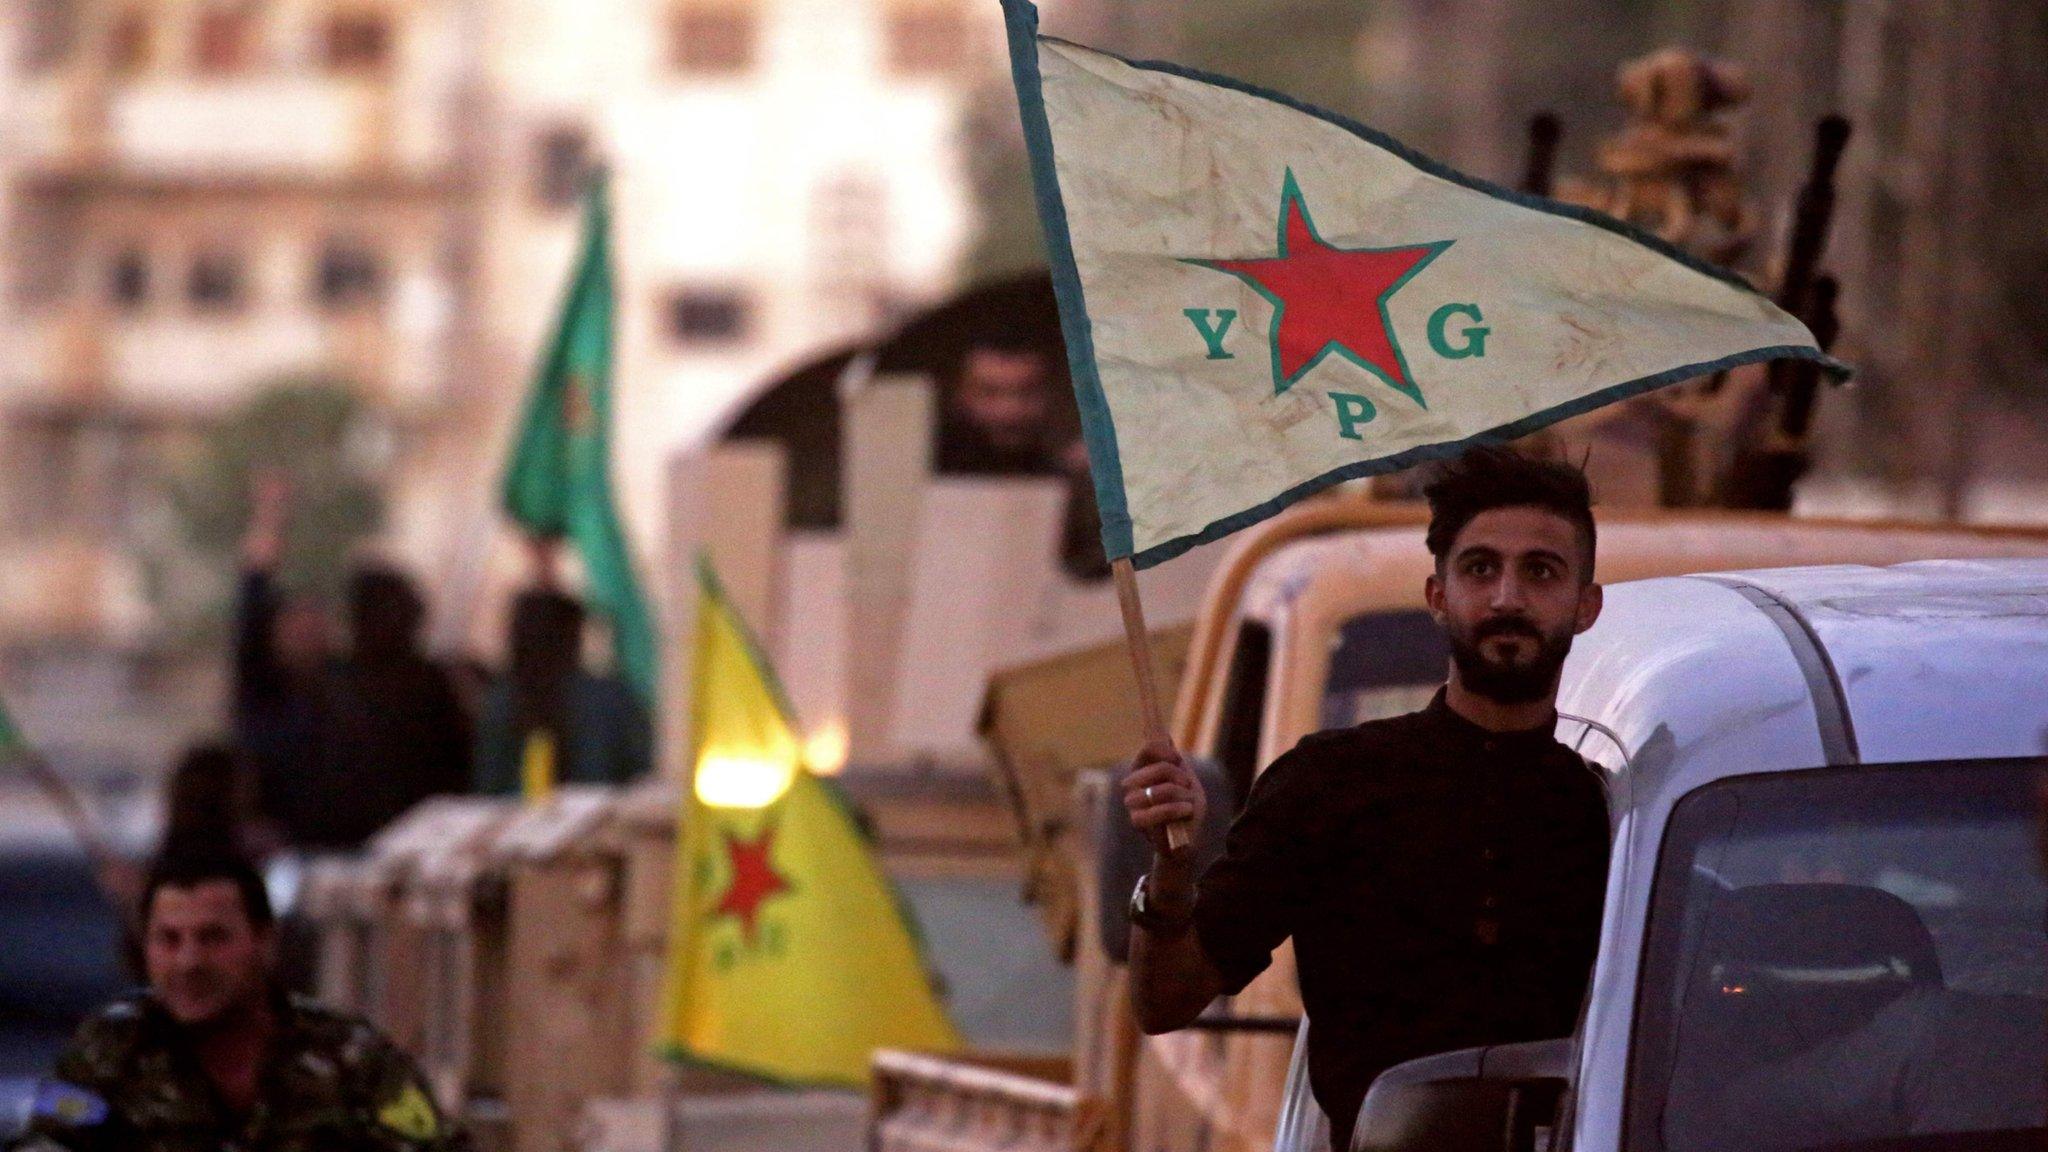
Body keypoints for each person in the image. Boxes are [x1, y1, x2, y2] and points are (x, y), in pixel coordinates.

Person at [1121, 446, 1613, 1151]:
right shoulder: (1331, 784)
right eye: (1480, 569)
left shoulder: (1610, 811)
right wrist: (1171, 871)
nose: (1507, 597)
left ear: (1585, 605)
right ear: (1438, 596)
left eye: (1540, 571)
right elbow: (1165, 1001)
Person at [8, 854, 466, 1151]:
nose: (189, 962)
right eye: (169, 940)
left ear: (264, 944)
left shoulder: (350, 1060)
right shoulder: (110, 1051)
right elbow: (48, 1141)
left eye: (213, 938)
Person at [315, 564, 473, 847]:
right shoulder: (334, 683)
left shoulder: (429, 682)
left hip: (426, 837)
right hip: (350, 840)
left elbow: (454, 763)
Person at [932, 335, 1108, 579]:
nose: (1010, 411)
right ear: (960, 394)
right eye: (989, 393)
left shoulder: (1061, 474)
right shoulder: (925, 476)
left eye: (1027, 392)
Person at [232, 473, 334, 852]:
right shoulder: (261, 687)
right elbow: (253, 585)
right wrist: (270, 515)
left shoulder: (338, 692)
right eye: (297, 626)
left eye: (316, 626)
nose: (308, 635)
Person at [472, 582, 652, 795]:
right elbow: (639, 768)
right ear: (573, 637)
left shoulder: (502, 701)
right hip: (599, 818)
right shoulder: (609, 697)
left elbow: (488, 784)